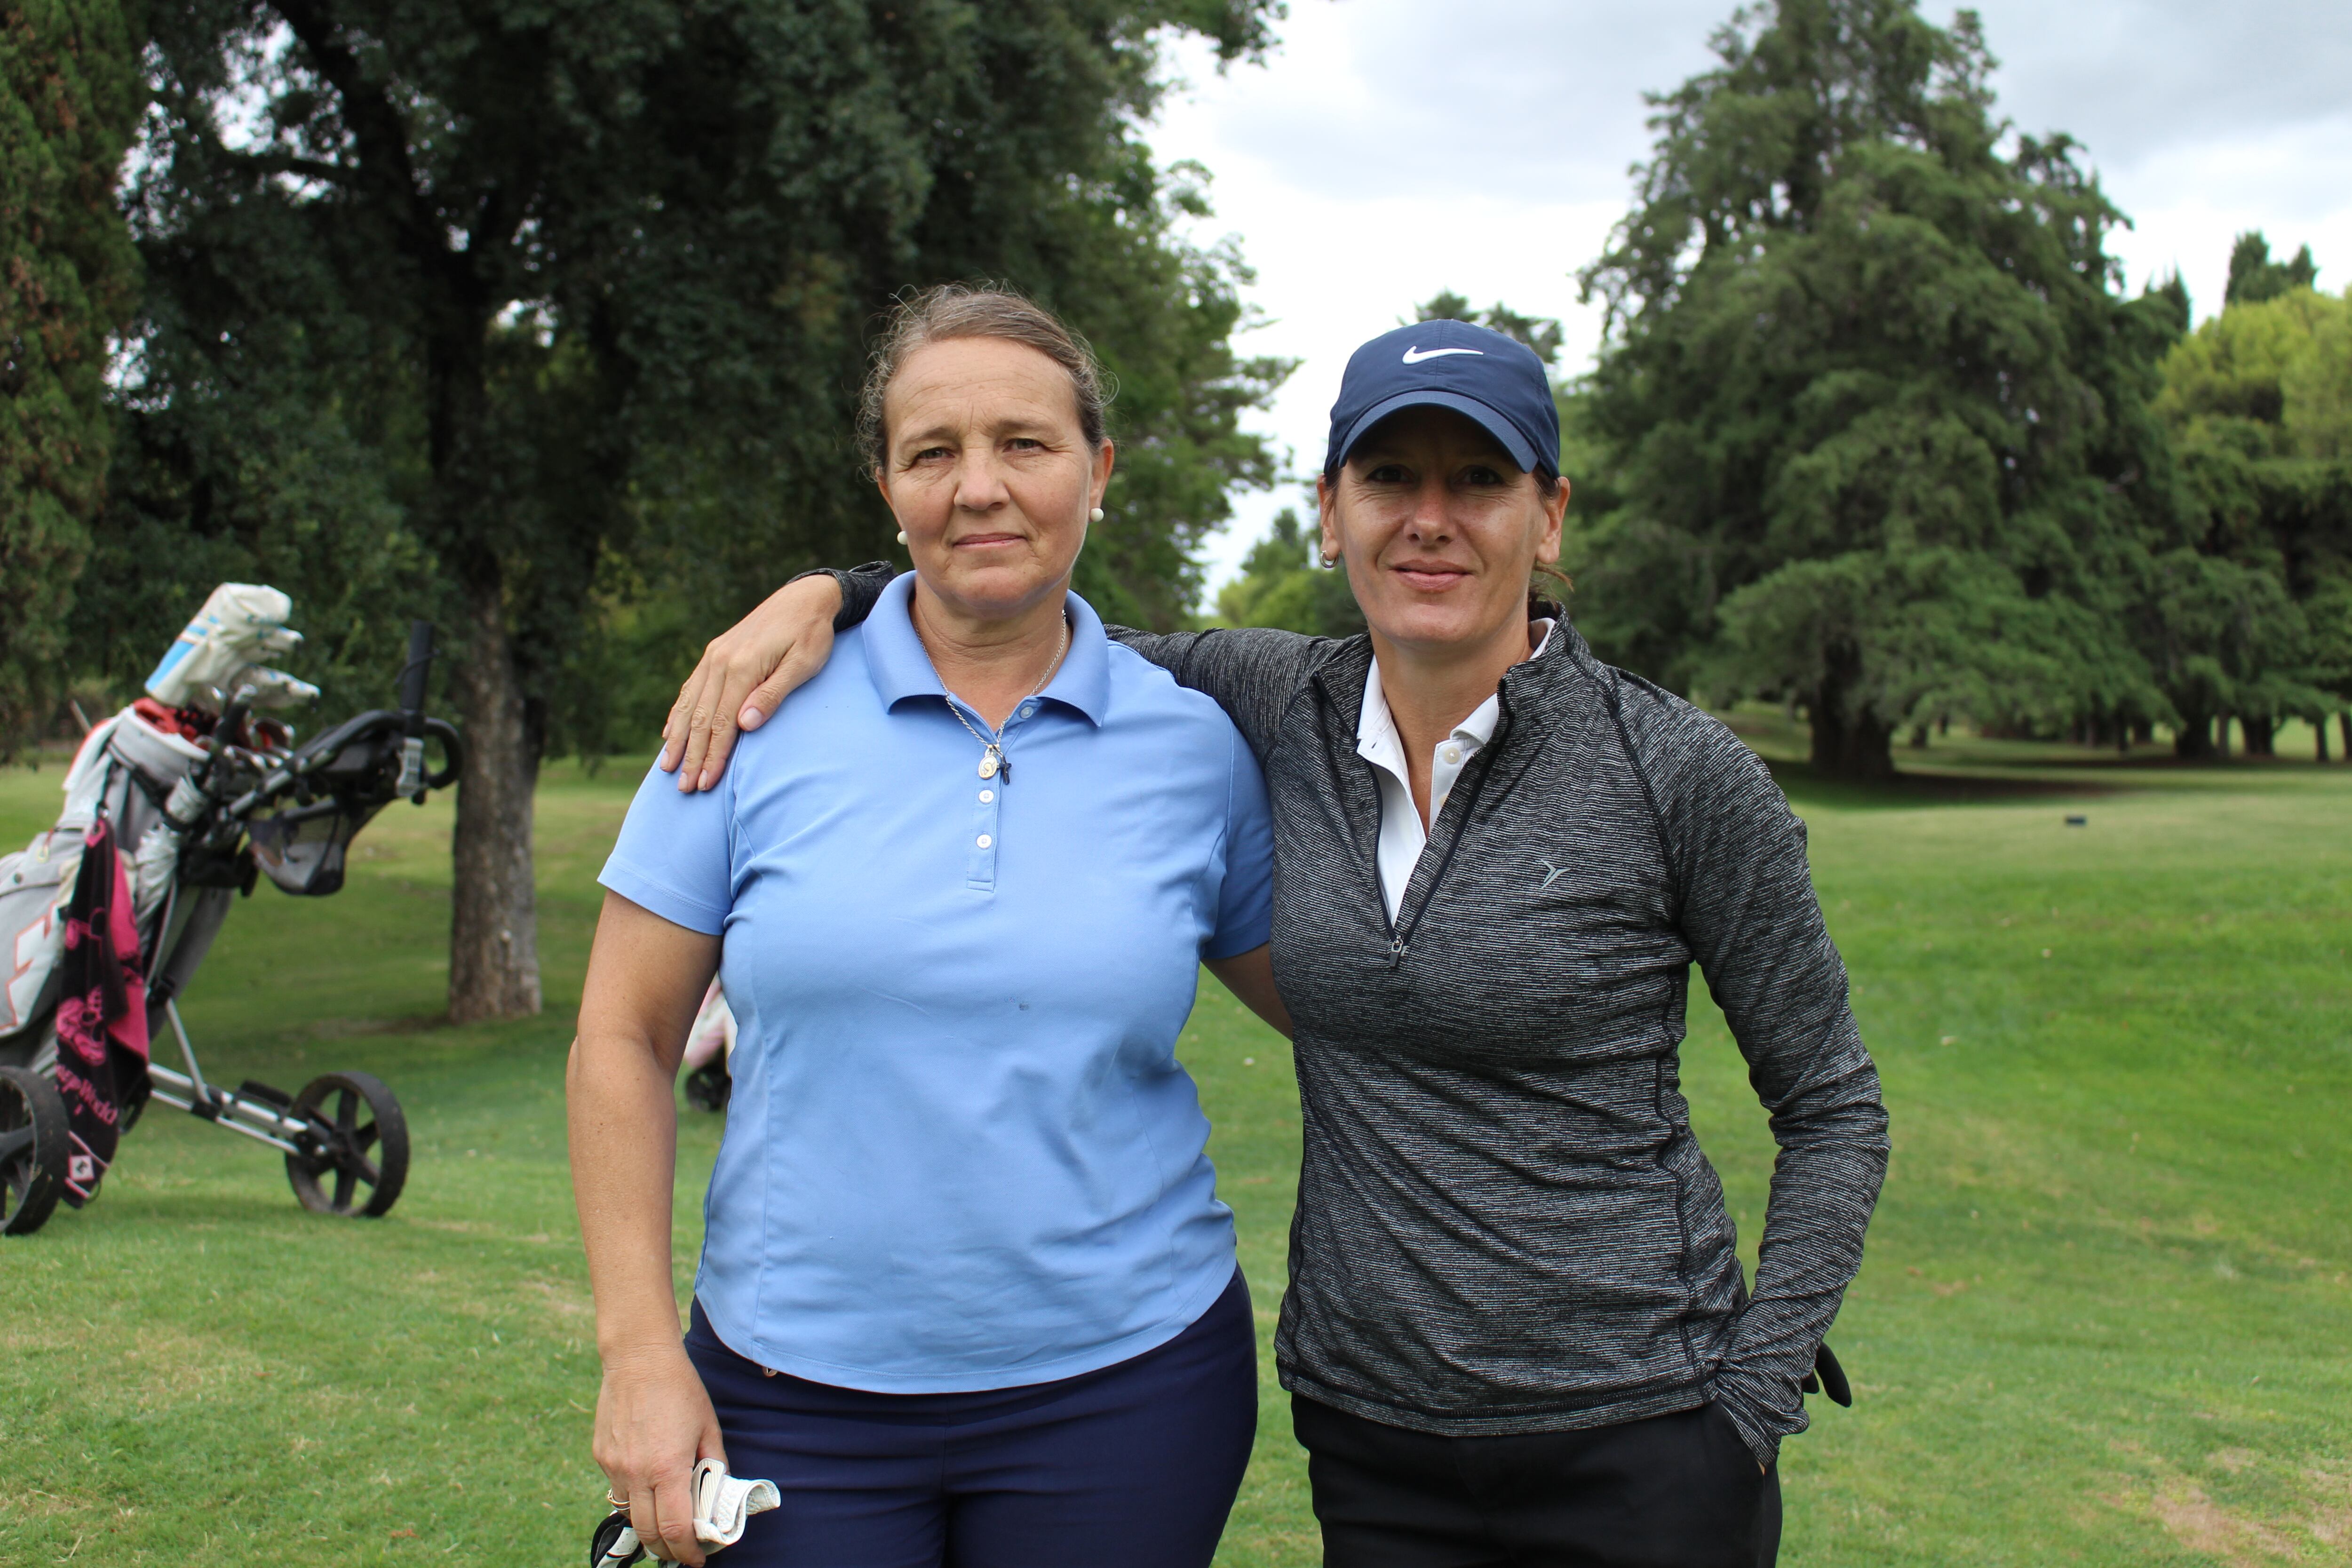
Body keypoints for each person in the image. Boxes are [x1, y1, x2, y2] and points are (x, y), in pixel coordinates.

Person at [662, 315, 1892, 1567]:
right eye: (1388, 479)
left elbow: (1834, 1100)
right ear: (1329, 508)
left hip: (1646, 1437)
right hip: (1373, 1442)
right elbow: (1002, 604)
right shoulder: (1267, 702)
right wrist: (831, 594)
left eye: (1478, 480)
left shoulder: (1677, 771)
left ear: (1551, 515)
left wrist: (1752, 1399)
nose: (1430, 518)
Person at [569, 285, 1290, 1568]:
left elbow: (1345, 1010)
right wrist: (636, 1355)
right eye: (933, 453)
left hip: (1131, 1388)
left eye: (1025, 443)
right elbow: (623, 1036)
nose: (981, 489)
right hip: (789, 1394)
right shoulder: (744, 714)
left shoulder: (1193, 747)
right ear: (887, 483)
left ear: (1098, 468)